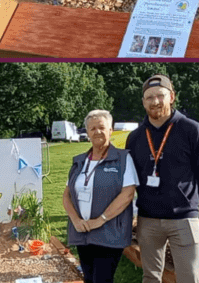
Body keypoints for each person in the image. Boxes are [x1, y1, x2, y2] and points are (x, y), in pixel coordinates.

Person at [125, 75, 199, 283]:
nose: (155, 101)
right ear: (143, 102)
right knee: (151, 277)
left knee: (189, 277)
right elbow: (131, 176)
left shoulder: (193, 130)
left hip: (183, 219)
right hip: (148, 219)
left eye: (160, 95)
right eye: (149, 97)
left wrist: (188, 201)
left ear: (171, 96)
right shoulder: (135, 137)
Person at [63, 109, 137, 283]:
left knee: (102, 279)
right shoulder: (79, 161)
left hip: (109, 231)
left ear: (111, 130)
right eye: (92, 128)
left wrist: (101, 219)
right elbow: (66, 195)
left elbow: (127, 194)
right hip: (82, 231)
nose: (97, 132)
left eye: (102, 127)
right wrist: (75, 220)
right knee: (89, 277)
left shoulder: (123, 159)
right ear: (87, 132)